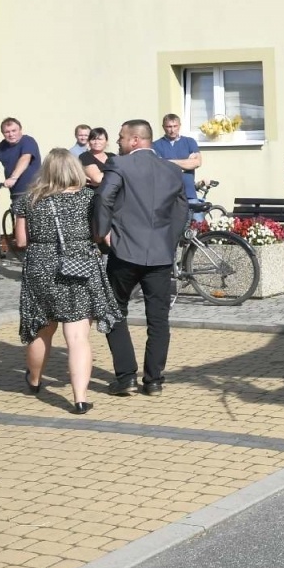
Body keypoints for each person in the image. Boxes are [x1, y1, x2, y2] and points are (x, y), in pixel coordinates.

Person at [16, 149, 120, 414]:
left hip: (41, 266)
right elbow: (99, 236)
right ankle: (80, 398)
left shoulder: (29, 199)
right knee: (77, 336)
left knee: (42, 329)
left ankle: (35, 380)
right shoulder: (89, 198)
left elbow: (21, 242)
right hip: (80, 265)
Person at [93, 120, 189, 396]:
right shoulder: (172, 170)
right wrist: (169, 241)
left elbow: (103, 198)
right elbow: (181, 209)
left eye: (121, 138)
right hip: (160, 254)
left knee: (113, 310)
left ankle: (126, 377)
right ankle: (154, 380)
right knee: (158, 318)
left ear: (135, 140)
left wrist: (102, 233)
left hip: (124, 252)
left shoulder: (119, 166)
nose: (118, 143)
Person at [0, 116, 41, 215]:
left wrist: (13, 178)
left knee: (34, 225)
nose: (11, 134)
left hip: (33, 192)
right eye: (7, 132)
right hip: (16, 194)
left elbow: (25, 158)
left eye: (14, 130)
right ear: (3, 133)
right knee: (20, 225)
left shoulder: (28, 141)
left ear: (20, 130)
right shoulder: (2, 146)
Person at [153, 113, 202, 207]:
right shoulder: (155, 145)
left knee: (197, 221)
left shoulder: (189, 142)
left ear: (180, 126)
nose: (172, 130)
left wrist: (168, 161)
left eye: (175, 126)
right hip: (167, 195)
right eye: (169, 126)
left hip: (189, 193)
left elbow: (197, 162)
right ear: (163, 127)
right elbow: (160, 167)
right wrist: (186, 162)